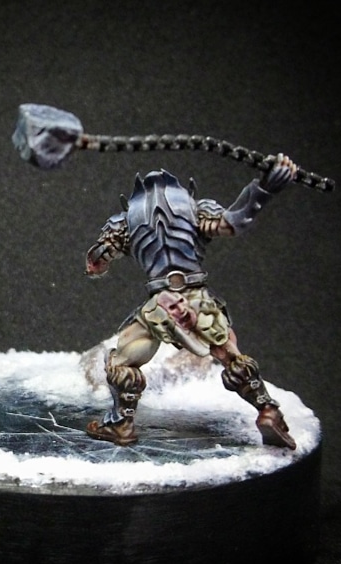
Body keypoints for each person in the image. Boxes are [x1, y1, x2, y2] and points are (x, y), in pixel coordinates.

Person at [85, 154, 298, 449]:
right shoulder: (196, 209)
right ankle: (268, 410)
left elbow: (96, 264)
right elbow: (233, 223)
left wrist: (111, 247)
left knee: (122, 361)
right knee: (229, 355)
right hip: (197, 300)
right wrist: (263, 189)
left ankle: (121, 423)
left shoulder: (125, 221)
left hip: (159, 305)